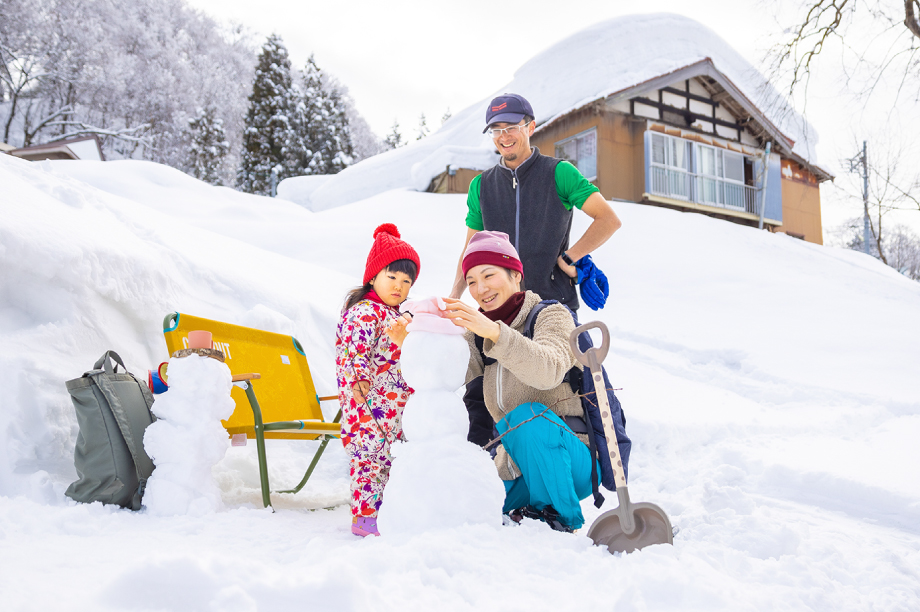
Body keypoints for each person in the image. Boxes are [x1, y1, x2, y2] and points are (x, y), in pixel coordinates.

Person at [443, 230, 596, 532]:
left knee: (527, 416)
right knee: (462, 505)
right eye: (471, 281)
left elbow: (548, 370)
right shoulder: (475, 335)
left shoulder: (550, 316)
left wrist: (496, 333)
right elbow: (451, 388)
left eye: (488, 275)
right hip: (512, 465)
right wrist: (414, 339)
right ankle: (527, 507)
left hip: (571, 458)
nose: (480, 288)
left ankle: (558, 518)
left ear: (515, 275)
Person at [449, 93, 622, 311]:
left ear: (530, 128)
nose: (504, 137)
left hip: (553, 307)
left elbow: (608, 219)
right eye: (496, 130)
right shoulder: (481, 186)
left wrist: (570, 258)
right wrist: (455, 295)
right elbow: (470, 250)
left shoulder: (559, 172)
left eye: (511, 127)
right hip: (502, 312)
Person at [335, 223, 418, 537]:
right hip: (369, 402)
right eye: (392, 277)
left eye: (406, 281)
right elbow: (357, 348)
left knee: (392, 458)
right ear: (373, 276)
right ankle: (365, 517)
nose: (399, 286)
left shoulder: (396, 313)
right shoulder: (366, 311)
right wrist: (359, 379)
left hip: (395, 402)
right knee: (370, 458)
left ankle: (390, 511)